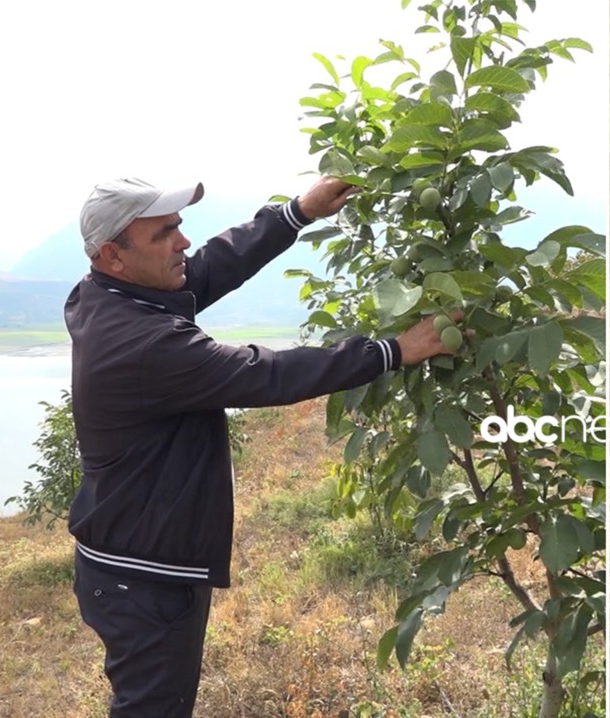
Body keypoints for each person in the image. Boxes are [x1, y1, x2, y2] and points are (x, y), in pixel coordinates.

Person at [66, 175, 452, 717]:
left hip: (128, 560)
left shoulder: (104, 294)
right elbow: (265, 374)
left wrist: (296, 212)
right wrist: (390, 351)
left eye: (179, 226)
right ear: (114, 254)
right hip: (144, 579)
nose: (183, 242)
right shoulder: (144, 343)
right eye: (164, 233)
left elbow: (206, 269)